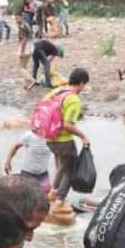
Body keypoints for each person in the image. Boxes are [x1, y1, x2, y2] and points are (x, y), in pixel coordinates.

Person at [44, 68, 90, 203]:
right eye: (84, 85)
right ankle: (59, 201)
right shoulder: (74, 99)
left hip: (49, 138)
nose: (84, 87)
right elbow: (67, 125)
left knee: (64, 166)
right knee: (70, 171)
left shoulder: (57, 91)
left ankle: (52, 194)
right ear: (81, 83)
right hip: (64, 141)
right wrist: (83, 136)